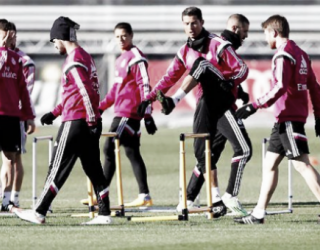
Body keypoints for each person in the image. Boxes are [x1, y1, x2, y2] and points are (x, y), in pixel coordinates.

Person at [138, 7, 248, 217]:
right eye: (187, 24)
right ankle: (192, 200)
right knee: (203, 154)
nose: (190, 27)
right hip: (206, 104)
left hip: (222, 99)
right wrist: (149, 99)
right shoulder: (183, 51)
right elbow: (169, 77)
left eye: (194, 23)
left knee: (201, 64)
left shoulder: (217, 43)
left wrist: (232, 83)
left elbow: (242, 69)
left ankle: (175, 101)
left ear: (202, 22)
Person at [234, 15, 320, 225]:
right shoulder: (301, 54)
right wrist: (319, 116)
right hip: (284, 119)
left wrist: (254, 105)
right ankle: (258, 213)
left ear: (274, 32)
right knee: (270, 164)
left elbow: (280, 86)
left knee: (301, 165)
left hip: (289, 119)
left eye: (266, 33)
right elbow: (315, 87)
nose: (265, 39)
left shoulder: (283, 55)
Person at [14, 16, 111, 225]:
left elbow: (85, 91)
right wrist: (56, 112)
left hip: (77, 121)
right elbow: (80, 92)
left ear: (60, 37)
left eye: (54, 41)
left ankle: (39, 211)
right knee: (93, 168)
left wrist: (91, 120)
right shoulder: (85, 56)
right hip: (86, 118)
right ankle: (104, 214)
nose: (54, 45)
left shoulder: (72, 60)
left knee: (57, 167)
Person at [178, 13, 252, 216]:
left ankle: (189, 198)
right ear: (236, 29)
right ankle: (228, 197)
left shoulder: (222, 43)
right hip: (217, 104)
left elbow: (224, 71)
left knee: (210, 155)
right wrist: (234, 86)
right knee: (242, 149)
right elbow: (221, 72)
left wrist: (239, 90)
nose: (246, 36)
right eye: (245, 31)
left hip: (215, 102)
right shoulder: (223, 43)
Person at [81, 22, 157, 207]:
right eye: (117, 36)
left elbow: (144, 84)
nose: (121, 39)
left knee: (108, 149)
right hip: (122, 111)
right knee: (132, 152)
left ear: (131, 35)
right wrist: (101, 107)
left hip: (128, 112)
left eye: (124, 35)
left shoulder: (136, 57)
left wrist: (147, 114)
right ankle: (145, 196)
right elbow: (116, 89)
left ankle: (101, 195)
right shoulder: (121, 59)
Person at [0, 19, 36, 212]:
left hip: (12, 116)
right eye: (5, 34)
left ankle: (8, 200)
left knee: (11, 159)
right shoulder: (5, 55)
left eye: (12, 34)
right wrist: (2, 51)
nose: (8, 38)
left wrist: (29, 115)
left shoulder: (19, 60)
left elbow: (24, 90)